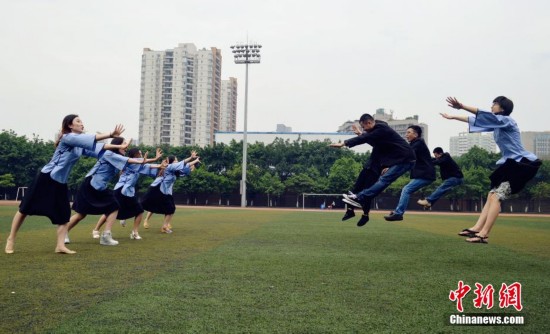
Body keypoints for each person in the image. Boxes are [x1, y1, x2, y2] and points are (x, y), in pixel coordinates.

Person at [4, 114, 125, 254]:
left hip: (61, 182)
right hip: (47, 177)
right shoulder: (67, 137)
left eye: (81, 121)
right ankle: (11, 239)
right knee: (25, 208)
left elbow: (100, 147)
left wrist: (118, 146)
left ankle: (60, 246)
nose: (81, 123)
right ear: (70, 125)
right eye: (78, 121)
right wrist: (110, 133)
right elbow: (88, 139)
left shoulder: (81, 146)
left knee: (63, 214)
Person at [441, 96, 541, 243]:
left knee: (496, 197)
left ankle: (484, 234)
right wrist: (453, 117)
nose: (492, 106)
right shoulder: (496, 125)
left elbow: (484, 115)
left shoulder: (507, 120)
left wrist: (462, 106)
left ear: (502, 108)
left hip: (522, 164)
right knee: (491, 194)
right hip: (510, 165)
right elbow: (476, 120)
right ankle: (477, 228)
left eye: (494, 104)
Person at [331, 113, 416, 226]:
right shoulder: (379, 133)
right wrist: (361, 134)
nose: (364, 130)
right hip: (398, 160)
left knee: (383, 181)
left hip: (405, 159)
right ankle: (353, 206)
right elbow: (370, 139)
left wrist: (344, 143)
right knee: (362, 186)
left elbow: (366, 137)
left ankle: (361, 202)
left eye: (364, 127)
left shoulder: (381, 129)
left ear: (369, 123)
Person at [66, 137, 152, 246]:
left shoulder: (119, 158)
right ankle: (64, 232)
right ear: (117, 145)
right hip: (90, 185)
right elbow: (131, 160)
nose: (126, 147)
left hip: (101, 187)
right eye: (123, 144)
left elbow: (135, 163)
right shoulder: (108, 154)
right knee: (81, 214)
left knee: (114, 206)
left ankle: (106, 236)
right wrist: (142, 161)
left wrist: (151, 161)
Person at [92, 147, 163, 240]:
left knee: (140, 211)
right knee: (110, 210)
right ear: (136, 154)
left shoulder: (139, 164)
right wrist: (155, 159)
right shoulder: (129, 162)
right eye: (140, 153)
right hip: (120, 189)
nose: (141, 155)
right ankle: (96, 230)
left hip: (128, 191)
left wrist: (160, 165)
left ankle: (134, 232)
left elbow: (149, 166)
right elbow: (143, 162)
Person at [384, 125, 436, 221]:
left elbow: (405, 156)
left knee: (406, 189)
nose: (406, 135)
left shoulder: (418, 142)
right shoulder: (415, 144)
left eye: (408, 132)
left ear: (415, 134)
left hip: (426, 174)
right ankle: (398, 212)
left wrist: (390, 166)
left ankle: (398, 213)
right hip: (424, 174)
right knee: (406, 189)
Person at [141, 153, 200, 233]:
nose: (177, 161)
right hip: (157, 189)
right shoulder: (170, 166)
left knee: (170, 208)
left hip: (163, 191)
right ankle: (127, 216)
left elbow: (185, 166)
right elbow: (184, 163)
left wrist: (195, 160)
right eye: (175, 160)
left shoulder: (174, 170)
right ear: (171, 162)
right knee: (144, 205)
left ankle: (165, 227)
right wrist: (191, 157)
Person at [340, 122, 383, 223]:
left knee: (366, 193)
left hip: (375, 171)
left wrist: (387, 167)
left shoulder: (387, 145)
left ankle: (365, 215)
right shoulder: (378, 142)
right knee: (354, 190)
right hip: (367, 167)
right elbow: (368, 139)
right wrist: (360, 133)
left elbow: (368, 139)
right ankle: (350, 211)